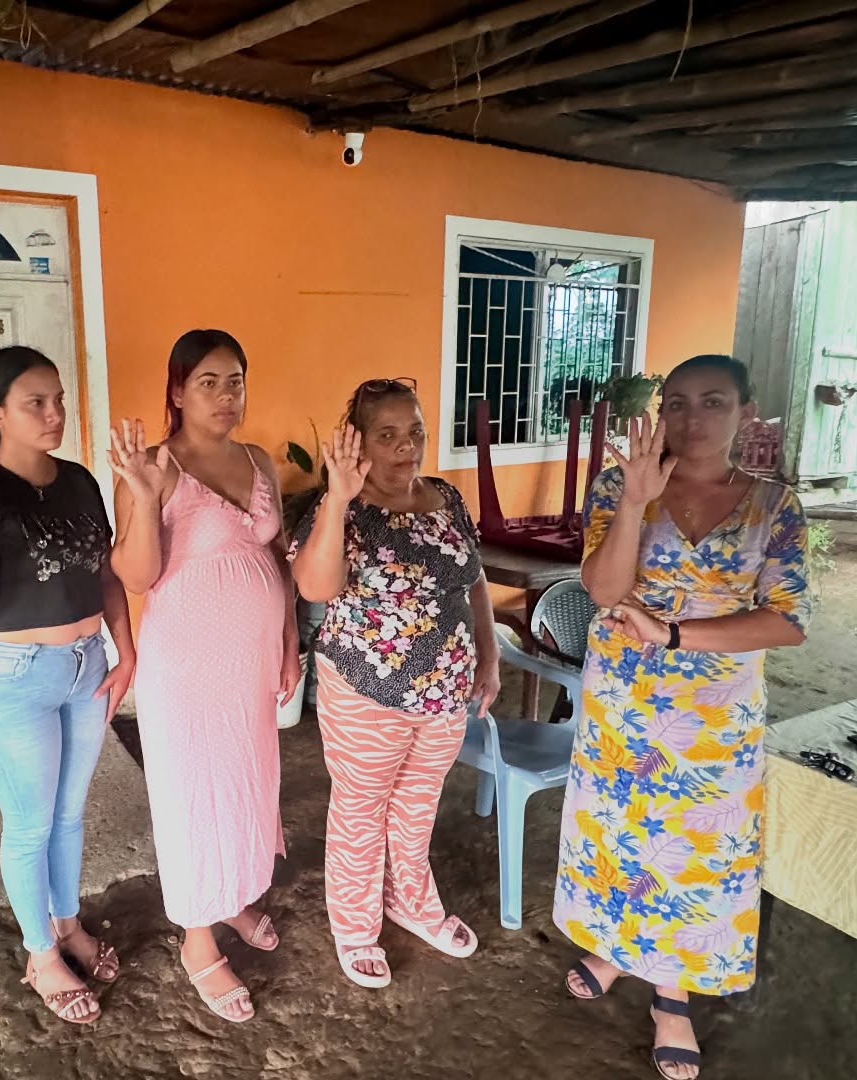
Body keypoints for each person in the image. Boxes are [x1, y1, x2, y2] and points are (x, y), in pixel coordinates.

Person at [553, 355, 813, 1080]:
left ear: (746, 412)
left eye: (713, 401)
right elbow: (604, 589)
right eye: (676, 402)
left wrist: (676, 635)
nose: (691, 418)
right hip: (623, 700)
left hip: (714, 710)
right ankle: (615, 948)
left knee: (694, 848)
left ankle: (673, 995)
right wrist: (636, 501)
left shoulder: (773, 505)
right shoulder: (620, 485)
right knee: (619, 831)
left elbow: (786, 621)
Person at [0, 345, 135, 1026]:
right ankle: (41, 954)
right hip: (13, 676)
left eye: (58, 400)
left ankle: (67, 923)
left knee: (70, 814)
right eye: (35, 404)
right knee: (30, 824)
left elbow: (104, 573)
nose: (54, 414)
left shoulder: (77, 480)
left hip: (85, 665)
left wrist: (124, 649)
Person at [110, 329, 299, 1023]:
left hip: (251, 659)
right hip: (187, 663)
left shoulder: (258, 460)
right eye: (209, 382)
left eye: (236, 381)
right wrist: (139, 497)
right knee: (194, 791)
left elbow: (277, 559)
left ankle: (235, 895)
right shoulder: (153, 467)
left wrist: (289, 643)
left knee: (249, 779)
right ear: (177, 390)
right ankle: (197, 938)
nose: (226, 395)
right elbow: (136, 575)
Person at [290, 378, 499, 990]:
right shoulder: (341, 508)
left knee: (417, 806)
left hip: (446, 691)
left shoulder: (445, 497)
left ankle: (410, 899)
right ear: (358, 441)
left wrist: (488, 657)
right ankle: (356, 928)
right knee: (361, 811)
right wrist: (338, 498)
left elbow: (473, 580)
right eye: (387, 434)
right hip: (366, 691)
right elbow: (315, 586)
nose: (407, 446)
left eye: (415, 432)